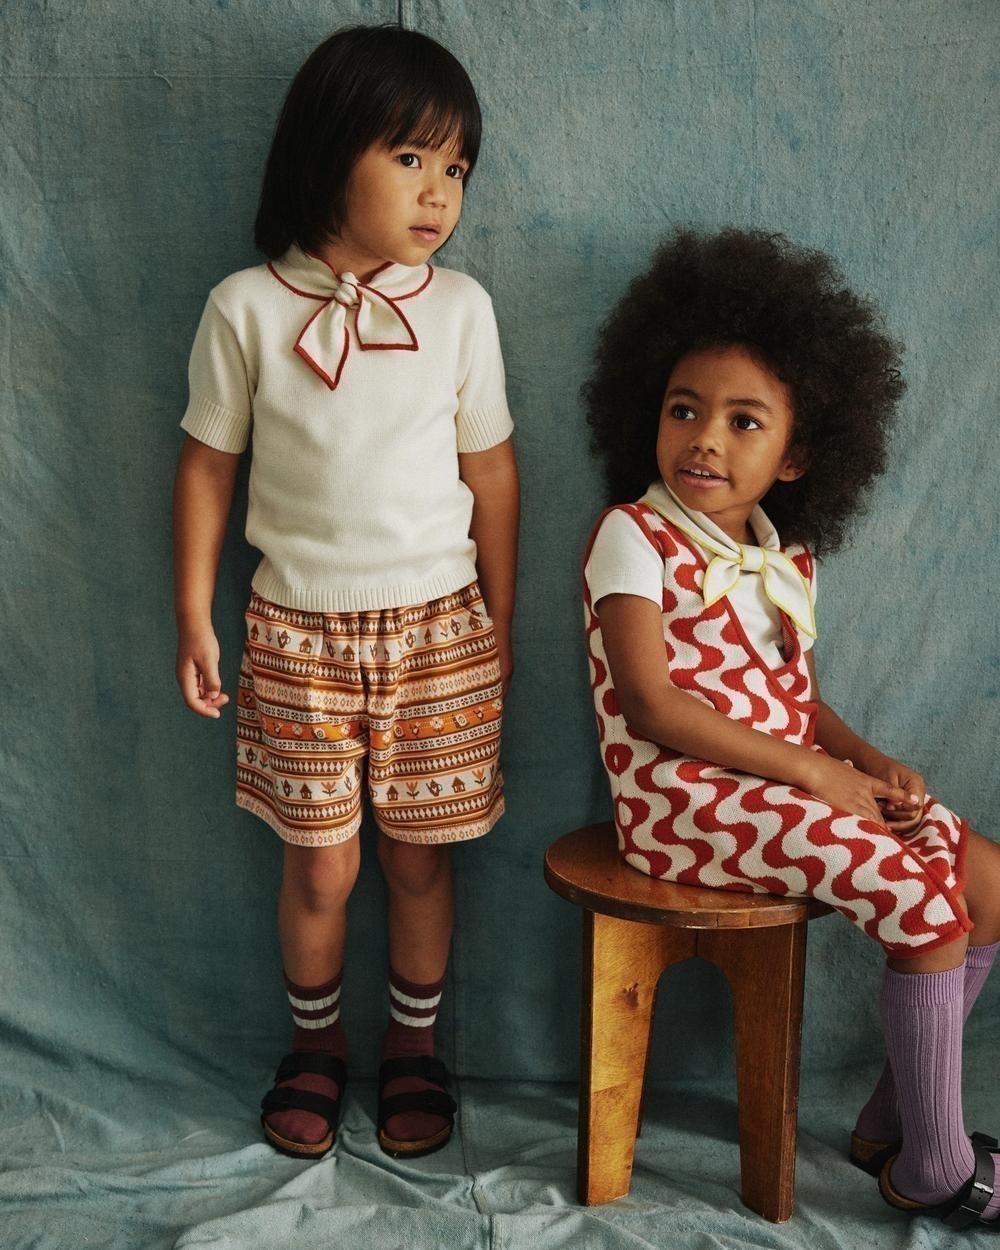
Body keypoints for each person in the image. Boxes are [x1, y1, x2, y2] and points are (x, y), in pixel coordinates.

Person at [582, 228, 1000, 1229]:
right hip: (679, 802)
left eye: (744, 421)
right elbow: (653, 705)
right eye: (684, 409)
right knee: (919, 901)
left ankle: (892, 1124)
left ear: (798, 453)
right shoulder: (631, 536)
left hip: (782, 780)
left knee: (984, 881)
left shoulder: (786, 560)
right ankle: (938, 1169)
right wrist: (818, 779)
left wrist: (865, 760)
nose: (705, 439)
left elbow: (795, 702)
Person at [172, 24, 518, 1162]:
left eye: (456, 167)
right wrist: (193, 614)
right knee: (320, 860)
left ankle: (413, 1044)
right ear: (329, 153)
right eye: (410, 158)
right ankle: (315, 1044)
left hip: (439, 630)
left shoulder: (460, 310)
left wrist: (499, 622)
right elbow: (208, 465)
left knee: (420, 855)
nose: (439, 192)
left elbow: (491, 473)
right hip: (296, 631)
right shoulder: (245, 307)